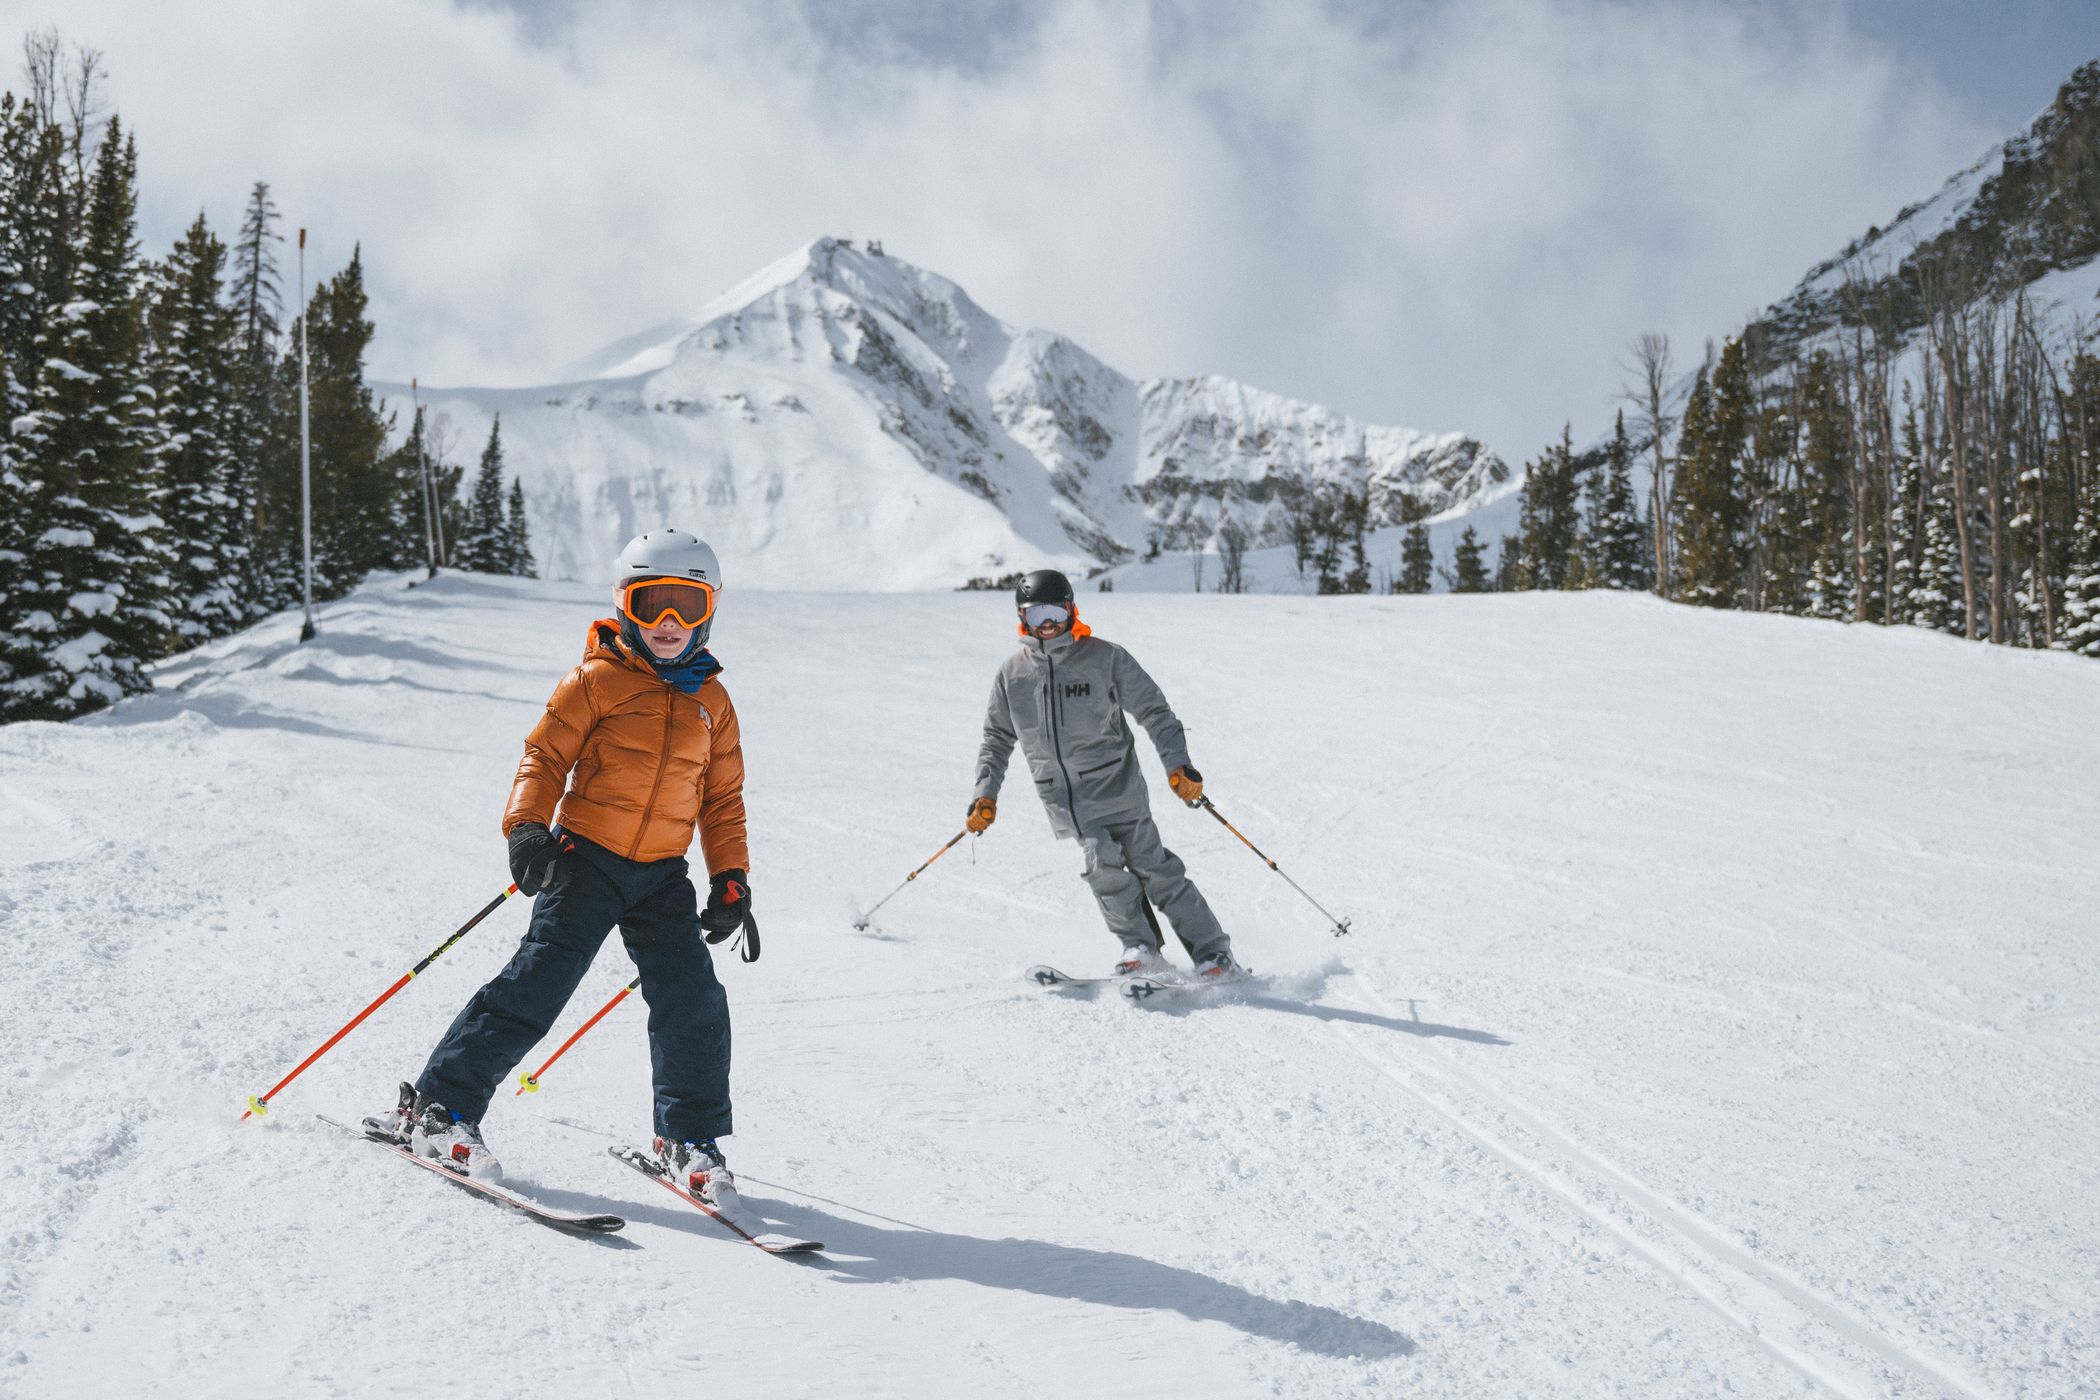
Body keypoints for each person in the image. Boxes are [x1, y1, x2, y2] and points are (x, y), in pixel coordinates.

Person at [366, 529, 754, 1206]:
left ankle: (686, 1138)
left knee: (693, 999)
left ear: (709, 610)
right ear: (624, 605)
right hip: (586, 861)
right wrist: (526, 832)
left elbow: (721, 799)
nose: (668, 624)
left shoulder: (712, 703)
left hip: (662, 874)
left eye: (685, 607)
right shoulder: (595, 681)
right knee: (539, 983)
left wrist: (731, 879)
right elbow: (543, 759)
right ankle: (440, 1108)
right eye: (651, 603)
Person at [968, 568, 1240, 979]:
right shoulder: (1012, 675)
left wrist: (1178, 765)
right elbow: (996, 738)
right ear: (1022, 617)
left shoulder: (1104, 658)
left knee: (1155, 868)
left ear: (1071, 608)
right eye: (1037, 612)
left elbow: (1156, 713)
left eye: (1056, 612)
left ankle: (1213, 953)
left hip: (1118, 786)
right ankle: (1141, 948)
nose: (1048, 623)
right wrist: (985, 794)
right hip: (1067, 800)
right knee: (1103, 868)